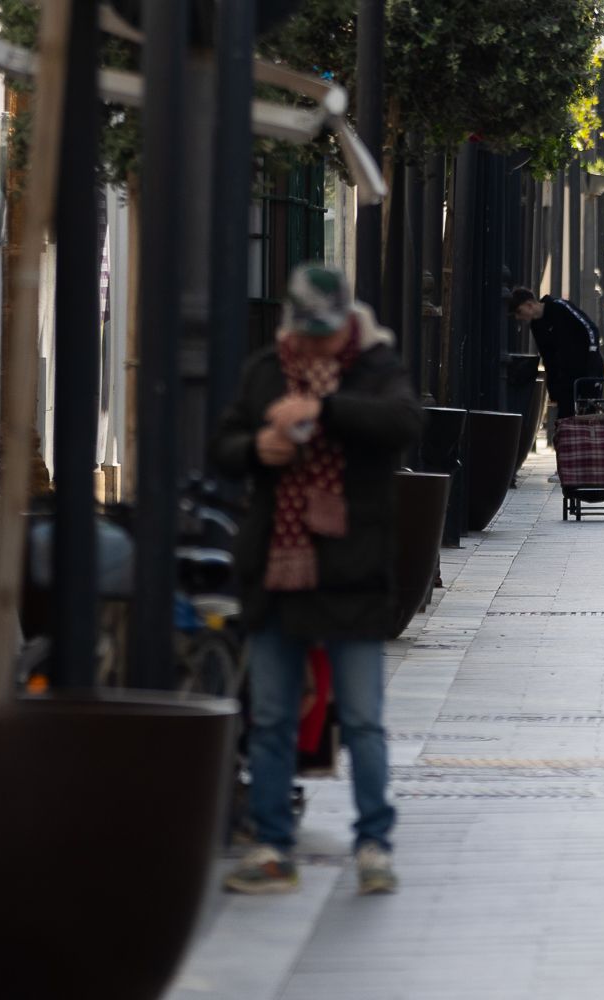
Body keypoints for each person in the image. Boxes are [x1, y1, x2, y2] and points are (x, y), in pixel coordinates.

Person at [212, 263, 421, 895]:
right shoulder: (265, 370)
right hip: (278, 575)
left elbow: (403, 425)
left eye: (325, 333)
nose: (314, 345)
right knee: (272, 718)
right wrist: (257, 450)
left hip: (351, 575)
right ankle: (274, 847)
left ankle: (374, 844)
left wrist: (325, 410)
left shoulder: (378, 368)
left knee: (361, 719)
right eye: (306, 332)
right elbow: (224, 442)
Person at [509, 288, 604, 425]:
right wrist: (553, 386)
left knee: (589, 412)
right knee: (565, 419)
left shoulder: (559, 307)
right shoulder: (536, 326)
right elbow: (547, 356)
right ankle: (569, 444)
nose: (519, 318)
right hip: (565, 377)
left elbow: (589, 327)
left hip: (586, 368)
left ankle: (587, 444)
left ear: (529, 304)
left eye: (519, 311)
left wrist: (592, 354)